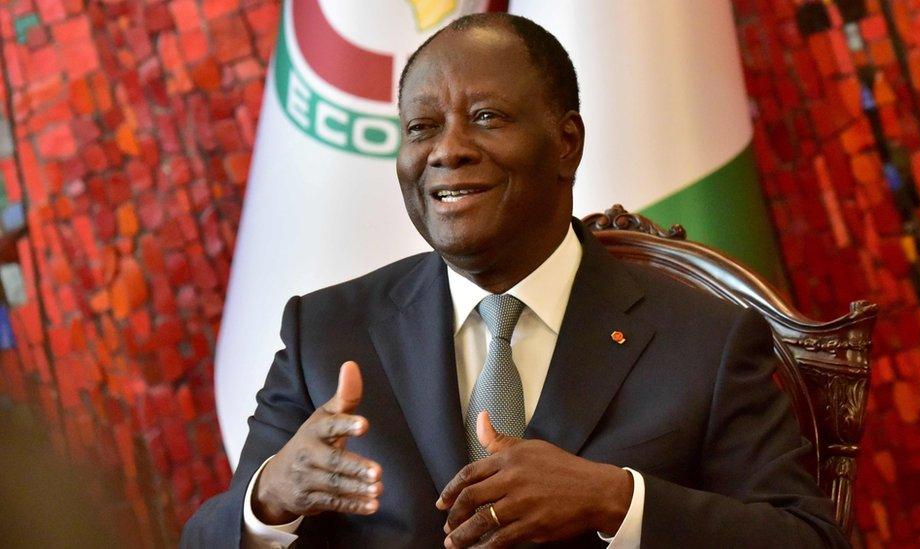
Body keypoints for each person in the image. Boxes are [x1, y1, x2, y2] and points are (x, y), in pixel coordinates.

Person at [182, 13, 848, 549]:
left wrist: (617, 499)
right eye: (421, 127)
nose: (447, 150)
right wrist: (269, 498)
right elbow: (206, 538)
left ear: (567, 143)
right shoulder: (326, 334)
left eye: (486, 117)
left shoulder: (705, 339)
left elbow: (806, 537)